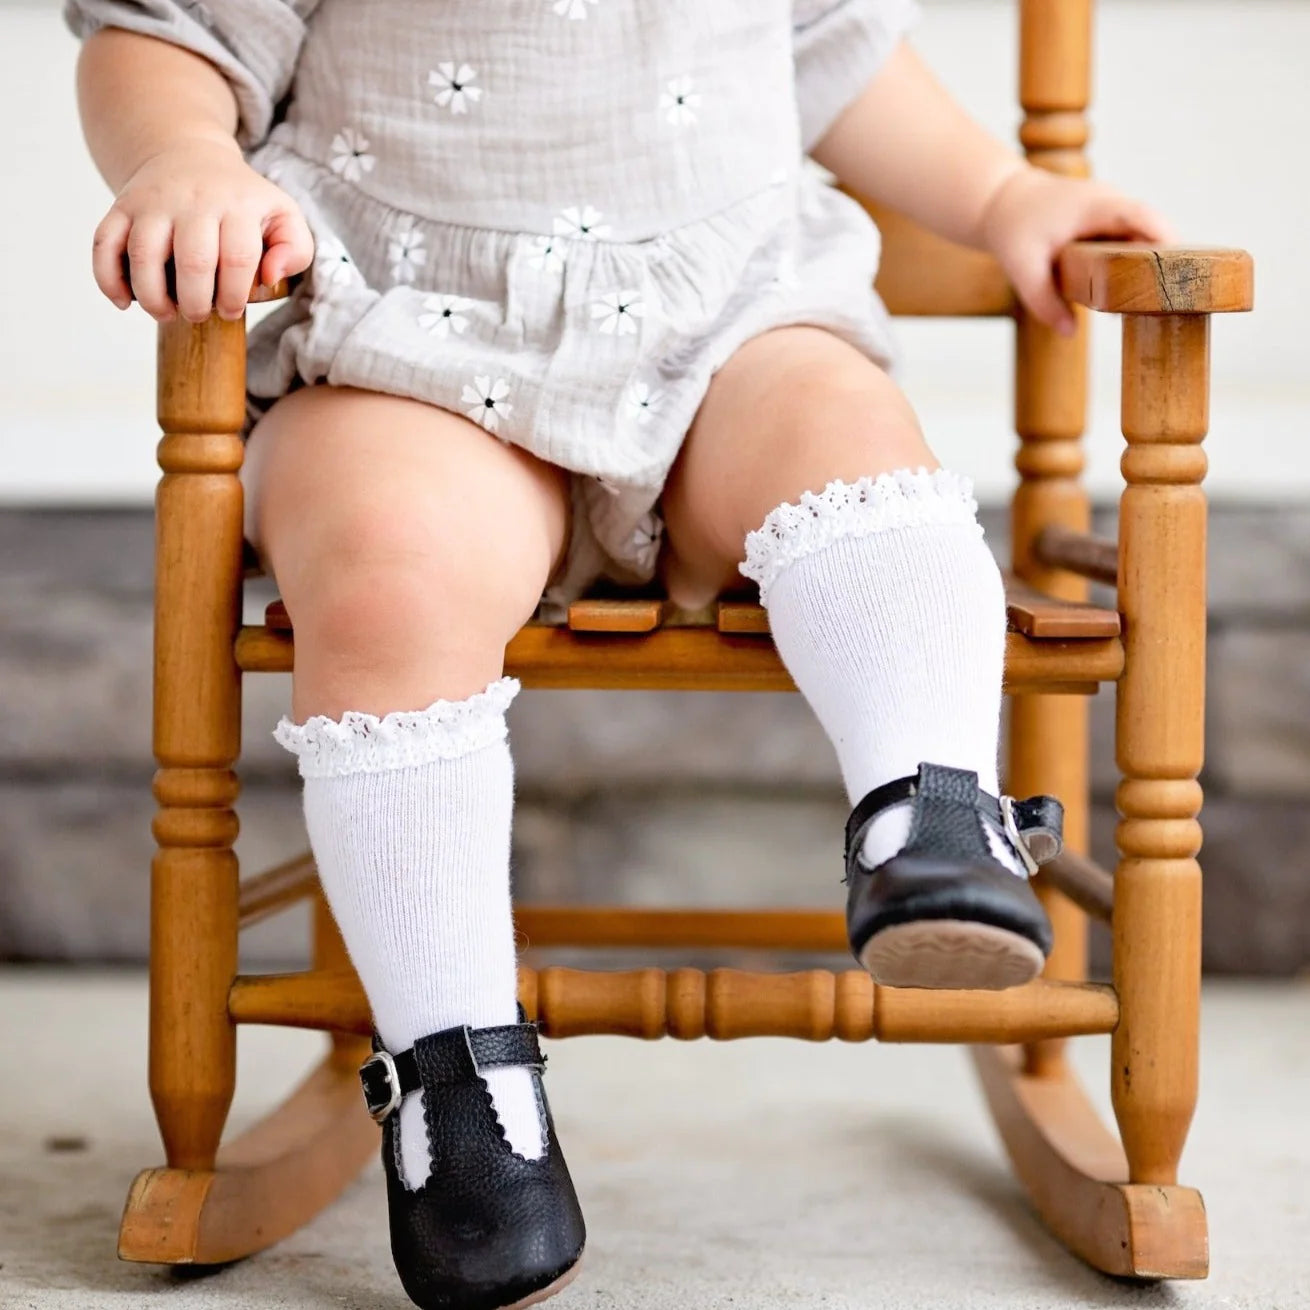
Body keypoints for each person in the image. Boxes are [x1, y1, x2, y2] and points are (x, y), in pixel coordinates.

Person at [66, 3, 1172, 1306]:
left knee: (845, 436)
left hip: (727, 322)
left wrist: (998, 194)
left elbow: (834, 57)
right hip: (405, 336)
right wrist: (182, 154)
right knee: (381, 560)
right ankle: (463, 1089)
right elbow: (170, 29)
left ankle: (924, 811)